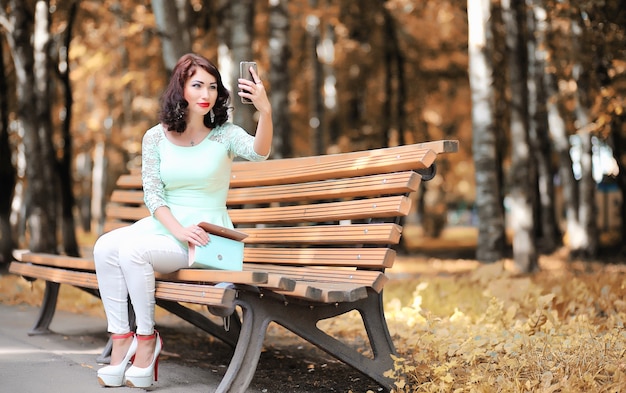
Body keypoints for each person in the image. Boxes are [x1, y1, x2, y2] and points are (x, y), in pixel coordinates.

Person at [93, 53, 272, 388]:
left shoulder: (225, 134)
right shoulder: (155, 137)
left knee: (133, 252)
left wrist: (265, 110)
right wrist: (178, 230)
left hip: (206, 238)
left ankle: (147, 343)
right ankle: (121, 340)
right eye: (197, 85)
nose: (206, 94)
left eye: (213, 87)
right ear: (181, 89)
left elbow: (260, 152)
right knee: (105, 247)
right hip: (168, 228)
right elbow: (153, 195)